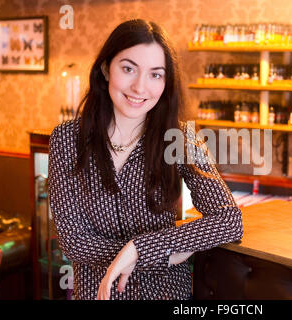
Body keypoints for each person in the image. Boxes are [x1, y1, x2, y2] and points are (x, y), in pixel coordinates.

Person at [48, 19, 243, 300]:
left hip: (165, 294)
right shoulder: (67, 139)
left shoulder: (182, 138)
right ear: (106, 69)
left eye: (155, 75)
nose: (140, 87)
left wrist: (140, 249)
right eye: (128, 69)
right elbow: (73, 242)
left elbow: (228, 220)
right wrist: (169, 252)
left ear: (166, 82)